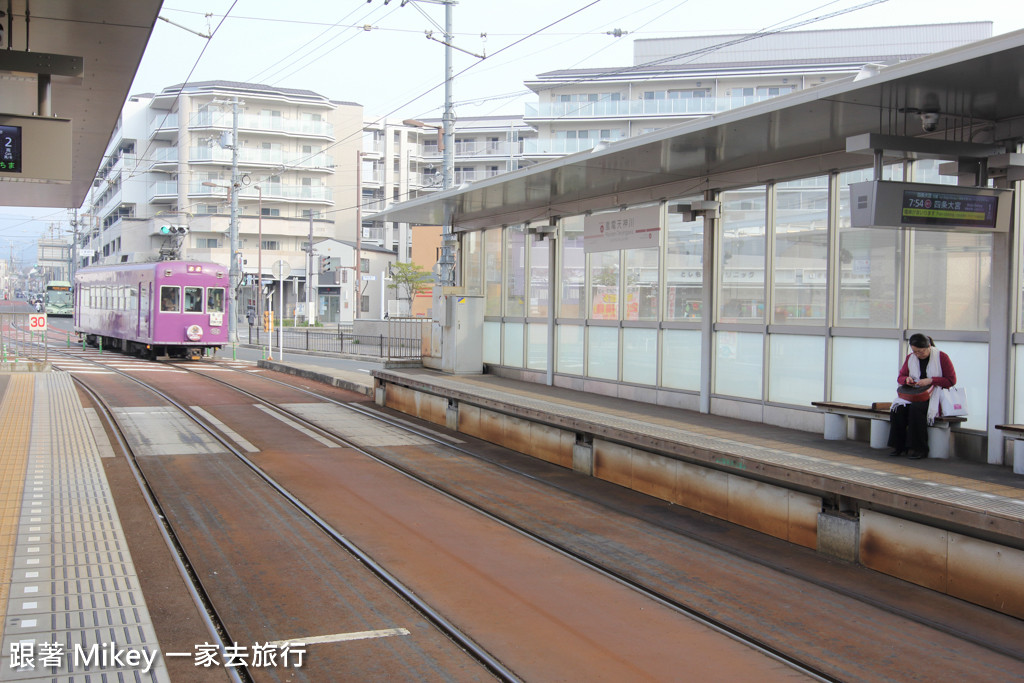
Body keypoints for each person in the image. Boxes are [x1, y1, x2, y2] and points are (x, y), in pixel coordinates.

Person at [888, 333, 957, 459]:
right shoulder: (911, 358)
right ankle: (899, 446)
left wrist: (931, 380)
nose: (918, 355)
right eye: (915, 352)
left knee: (916, 409)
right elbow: (901, 376)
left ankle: (919, 448)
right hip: (915, 394)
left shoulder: (942, 357)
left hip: (935, 396)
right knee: (898, 409)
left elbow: (951, 380)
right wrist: (907, 379)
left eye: (921, 351)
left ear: (929, 346)